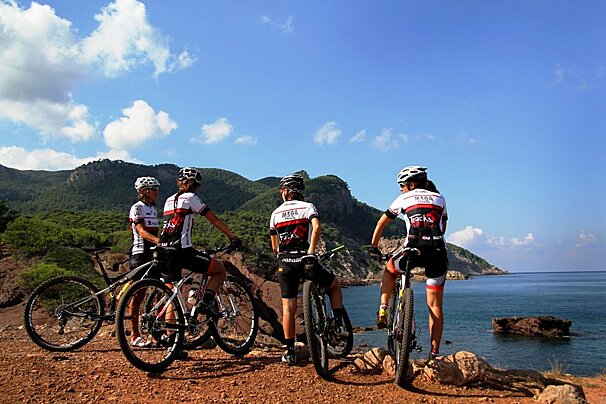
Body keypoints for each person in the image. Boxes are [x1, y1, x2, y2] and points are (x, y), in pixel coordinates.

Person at [368, 166, 448, 359]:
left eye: (402, 186)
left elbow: (381, 223)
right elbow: (443, 227)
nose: (401, 189)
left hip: (412, 252)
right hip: (437, 253)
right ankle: (435, 353)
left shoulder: (404, 199)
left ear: (411, 184)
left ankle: (384, 308)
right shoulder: (440, 198)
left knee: (389, 271)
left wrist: (374, 247)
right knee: (435, 305)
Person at [269, 173, 345, 365]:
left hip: (285, 263)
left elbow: (275, 247)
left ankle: (289, 351)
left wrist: (283, 254)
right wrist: (310, 251)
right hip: (306, 259)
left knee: (288, 308)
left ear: (285, 192)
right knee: (334, 286)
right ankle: (337, 323)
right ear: (299, 191)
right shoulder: (308, 207)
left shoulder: (275, 213)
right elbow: (317, 228)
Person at [158, 167, 241, 316]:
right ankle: (206, 302)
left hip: (163, 249)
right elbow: (214, 219)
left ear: (179, 182)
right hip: (181, 251)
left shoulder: (169, 200)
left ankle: (170, 335)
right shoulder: (191, 198)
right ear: (196, 185)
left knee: (173, 295)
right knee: (219, 271)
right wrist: (232, 237)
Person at [128, 176, 161, 347]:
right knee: (138, 294)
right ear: (144, 192)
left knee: (162, 289)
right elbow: (141, 231)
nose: (157, 192)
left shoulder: (153, 209)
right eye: (154, 189)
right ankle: (134, 335)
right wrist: (159, 242)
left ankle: (159, 331)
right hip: (140, 253)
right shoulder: (137, 208)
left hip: (153, 253)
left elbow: (155, 232)